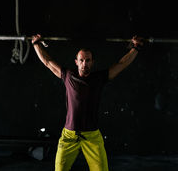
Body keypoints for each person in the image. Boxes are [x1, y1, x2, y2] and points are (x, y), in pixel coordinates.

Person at [32, 34, 144, 171]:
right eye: (82, 60)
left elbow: (122, 64)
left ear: (92, 62)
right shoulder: (68, 76)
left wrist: (136, 47)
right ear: (76, 62)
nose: (85, 63)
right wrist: (36, 44)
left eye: (88, 60)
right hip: (69, 135)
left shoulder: (100, 78)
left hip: (92, 136)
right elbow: (48, 62)